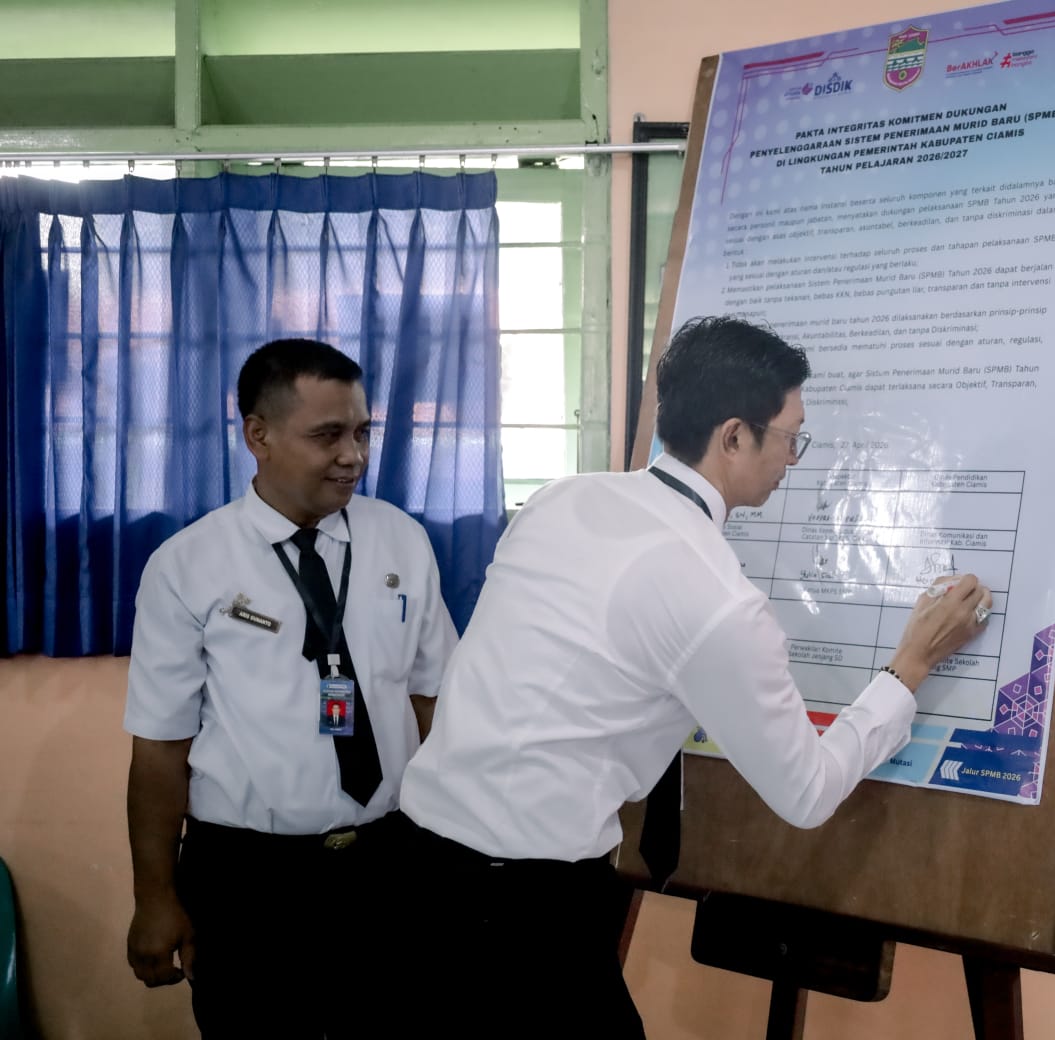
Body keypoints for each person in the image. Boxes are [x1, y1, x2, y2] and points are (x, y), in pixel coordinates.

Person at [398, 315, 993, 1036]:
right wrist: (911, 665)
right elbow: (807, 791)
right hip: (524, 907)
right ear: (734, 436)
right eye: (790, 438)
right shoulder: (715, 597)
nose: (793, 458)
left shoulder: (561, 498)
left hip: (416, 866)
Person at [123, 338, 457, 1038]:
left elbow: (434, 701)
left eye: (362, 431)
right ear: (259, 436)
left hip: (389, 862)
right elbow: (159, 748)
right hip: (248, 879)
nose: (353, 455)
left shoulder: (401, 540)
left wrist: (458, 845)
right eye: (327, 435)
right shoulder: (187, 566)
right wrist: (154, 897)